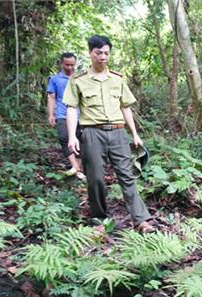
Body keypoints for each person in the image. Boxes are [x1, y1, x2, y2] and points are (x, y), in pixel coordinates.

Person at [63, 35, 154, 233]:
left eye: (106, 53)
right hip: (92, 133)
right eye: (98, 53)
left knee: (127, 175)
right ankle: (100, 220)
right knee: (95, 178)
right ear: (90, 53)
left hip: (118, 132)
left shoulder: (117, 79)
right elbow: (71, 109)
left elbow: (126, 107)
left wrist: (135, 134)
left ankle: (141, 221)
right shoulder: (78, 80)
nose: (103, 57)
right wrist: (72, 136)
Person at [47, 52, 85, 180]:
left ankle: (76, 168)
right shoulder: (55, 79)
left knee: (81, 140)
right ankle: (76, 167)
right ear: (62, 64)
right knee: (64, 138)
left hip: (80, 115)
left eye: (72, 65)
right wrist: (51, 114)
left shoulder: (80, 78)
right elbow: (51, 97)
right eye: (67, 65)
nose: (70, 67)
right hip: (62, 114)